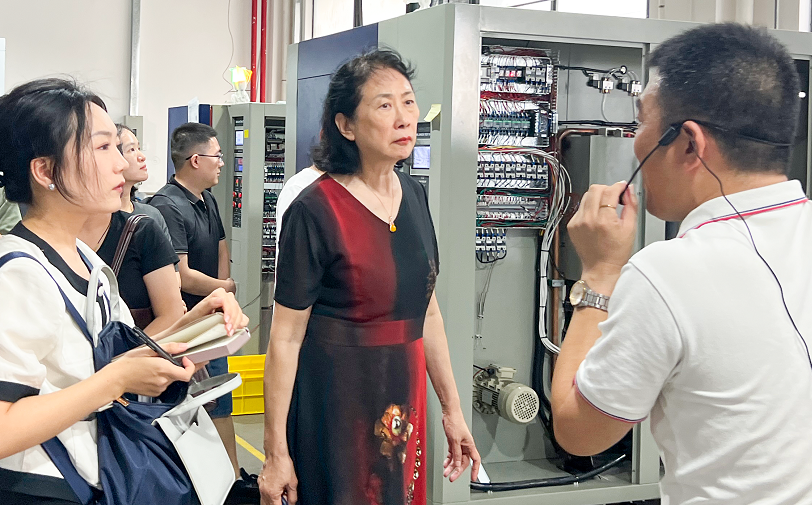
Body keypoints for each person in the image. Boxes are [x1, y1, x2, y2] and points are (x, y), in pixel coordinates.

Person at [550, 16, 812, 505]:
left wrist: (601, 274)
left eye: (642, 121)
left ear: (688, 142)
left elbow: (579, 432)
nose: (635, 140)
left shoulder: (664, 275)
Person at [0, 78, 247, 505]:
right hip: (44, 487)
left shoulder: (85, 259)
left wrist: (197, 321)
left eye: (118, 147)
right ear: (45, 171)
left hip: (95, 476)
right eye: (102, 148)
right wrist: (115, 381)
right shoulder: (18, 273)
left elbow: (113, 358)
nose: (121, 164)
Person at [259, 49, 480, 505]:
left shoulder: (414, 196)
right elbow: (285, 338)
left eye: (408, 102)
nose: (403, 117)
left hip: (404, 400)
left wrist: (453, 410)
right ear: (346, 126)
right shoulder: (314, 210)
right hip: (336, 404)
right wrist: (275, 451)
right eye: (384, 105)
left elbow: (428, 313)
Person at [148, 122, 240, 476]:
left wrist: (222, 287)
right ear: (196, 160)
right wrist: (223, 289)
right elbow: (183, 275)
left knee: (221, 404)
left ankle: (231, 481)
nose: (222, 163)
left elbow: (220, 246)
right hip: (187, 330)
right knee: (190, 412)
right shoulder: (167, 205)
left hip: (214, 321)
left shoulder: (208, 199)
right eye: (217, 156)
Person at [77, 126, 185, 335]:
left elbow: (171, 311)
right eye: (104, 148)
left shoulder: (146, 224)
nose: (122, 163)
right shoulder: (48, 240)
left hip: (137, 348)